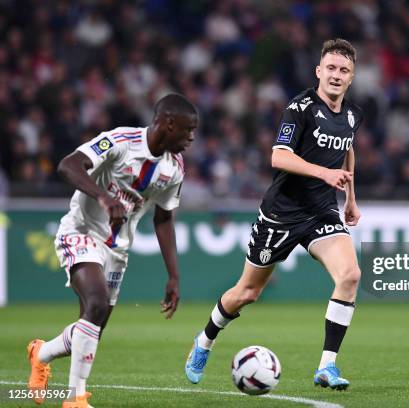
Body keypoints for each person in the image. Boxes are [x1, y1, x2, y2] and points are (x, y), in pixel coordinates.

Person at [185, 38, 363, 390]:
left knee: (351, 275)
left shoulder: (354, 115)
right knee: (247, 292)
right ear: (318, 71)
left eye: (344, 70)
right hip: (281, 215)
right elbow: (278, 157)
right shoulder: (300, 108)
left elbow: (347, 150)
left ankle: (327, 366)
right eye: (330, 68)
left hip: (322, 211)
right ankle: (204, 341)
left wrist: (351, 199)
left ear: (352, 77)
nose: (336, 75)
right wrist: (324, 174)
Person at [27, 94, 197, 407]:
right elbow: (68, 166)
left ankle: (41, 353)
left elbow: (164, 219)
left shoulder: (174, 169)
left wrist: (173, 275)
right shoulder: (120, 141)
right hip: (80, 231)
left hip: (117, 250)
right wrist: (104, 197)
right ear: (168, 123)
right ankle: (75, 399)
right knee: (97, 303)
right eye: (188, 130)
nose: (191, 138)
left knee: (93, 325)